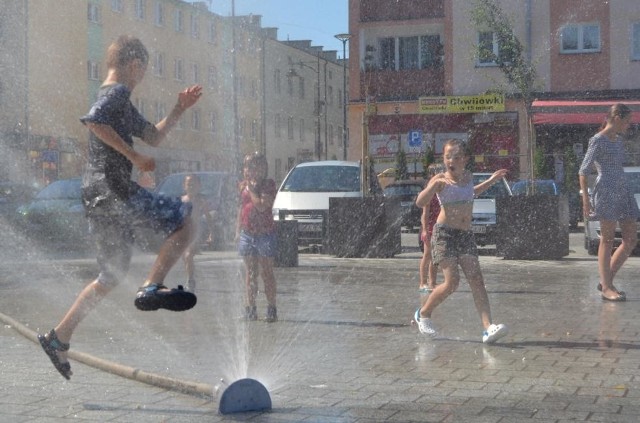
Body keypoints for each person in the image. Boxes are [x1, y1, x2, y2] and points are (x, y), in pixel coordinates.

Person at [37, 35, 203, 380]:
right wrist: (134, 157)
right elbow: (94, 122)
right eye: (143, 69)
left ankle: (58, 337)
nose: (142, 76)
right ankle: (153, 285)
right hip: (113, 190)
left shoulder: (120, 103)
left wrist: (178, 109)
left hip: (96, 195)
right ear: (134, 65)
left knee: (111, 274)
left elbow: (153, 137)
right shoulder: (115, 95)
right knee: (187, 216)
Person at [413, 139, 509, 344]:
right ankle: (423, 313)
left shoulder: (468, 177)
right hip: (444, 235)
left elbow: (471, 192)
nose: (451, 160)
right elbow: (420, 202)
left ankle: (488, 328)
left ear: (465, 159)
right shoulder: (440, 180)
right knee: (452, 282)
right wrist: (432, 188)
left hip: (465, 234)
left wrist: (492, 180)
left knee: (477, 279)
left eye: (456, 156)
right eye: (448, 156)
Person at [578, 103, 637, 302]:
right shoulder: (597, 140)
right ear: (618, 118)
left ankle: (606, 280)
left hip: (623, 189)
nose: (630, 124)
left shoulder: (618, 141)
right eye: (628, 120)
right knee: (608, 239)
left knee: (630, 239)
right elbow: (583, 170)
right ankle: (607, 287)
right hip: (606, 191)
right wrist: (585, 199)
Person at [236, 153, 278, 322]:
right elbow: (241, 208)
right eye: (248, 166)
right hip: (247, 234)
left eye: (255, 166)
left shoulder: (268, 185)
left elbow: (261, 206)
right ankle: (250, 308)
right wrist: (237, 230)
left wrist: (252, 189)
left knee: (266, 272)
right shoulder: (242, 186)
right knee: (250, 273)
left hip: (265, 234)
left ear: (263, 168)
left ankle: (271, 307)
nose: (251, 170)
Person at [181, 174, 214, 292]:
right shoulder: (182, 200)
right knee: (185, 258)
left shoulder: (200, 201)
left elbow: (208, 217)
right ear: (184, 186)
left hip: (195, 233)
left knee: (188, 255)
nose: (191, 186)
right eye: (189, 184)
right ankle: (191, 277)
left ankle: (190, 281)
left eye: (194, 184)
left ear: (199, 186)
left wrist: (211, 233)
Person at [418, 163, 444, 305]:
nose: (442, 173)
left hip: (439, 225)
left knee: (435, 257)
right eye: (439, 171)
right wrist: (424, 229)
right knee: (428, 255)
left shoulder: (441, 187)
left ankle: (432, 282)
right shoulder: (430, 189)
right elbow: (425, 213)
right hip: (430, 227)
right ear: (432, 174)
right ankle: (422, 282)